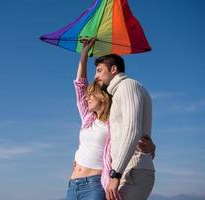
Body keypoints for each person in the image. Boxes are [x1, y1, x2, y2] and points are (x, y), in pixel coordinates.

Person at [65, 39, 155, 200]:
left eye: (99, 71)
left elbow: (131, 131)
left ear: (103, 98)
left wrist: (149, 145)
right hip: (73, 184)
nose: (87, 98)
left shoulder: (112, 122)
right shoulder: (88, 119)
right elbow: (79, 85)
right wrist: (84, 53)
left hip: (96, 182)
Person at [94, 50, 155, 200]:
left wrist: (116, 175)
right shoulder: (122, 91)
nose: (96, 76)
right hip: (129, 170)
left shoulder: (127, 86)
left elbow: (132, 131)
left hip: (133, 171)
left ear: (113, 69)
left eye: (99, 70)